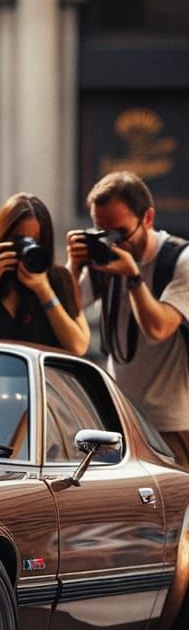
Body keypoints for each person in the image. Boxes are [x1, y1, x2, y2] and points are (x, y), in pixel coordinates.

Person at [67, 170, 189, 464]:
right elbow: (68, 313)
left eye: (119, 233)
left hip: (173, 421)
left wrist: (133, 278)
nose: (113, 244)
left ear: (147, 218)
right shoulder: (104, 258)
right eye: (101, 231)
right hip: (122, 419)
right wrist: (73, 267)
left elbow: (158, 328)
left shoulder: (180, 261)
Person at [0, 193, 89, 355]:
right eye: (20, 240)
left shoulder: (58, 279)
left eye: (35, 241)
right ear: (2, 237)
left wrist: (44, 290)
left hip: (41, 379)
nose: (28, 248)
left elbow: (77, 346)